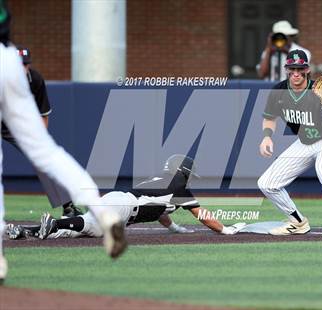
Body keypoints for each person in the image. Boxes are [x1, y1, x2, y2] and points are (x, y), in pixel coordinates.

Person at [0, 1, 126, 284]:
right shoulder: (15, 59)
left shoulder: (37, 79)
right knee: (48, 152)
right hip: (4, 59)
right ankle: (102, 211)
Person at [6, 155, 246, 240]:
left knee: (92, 230)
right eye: (189, 174)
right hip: (124, 206)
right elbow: (202, 215)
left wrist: (175, 229)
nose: (190, 179)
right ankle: (54, 224)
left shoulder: (162, 181)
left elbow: (161, 210)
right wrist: (224, 230)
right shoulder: (179, 186)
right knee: (91, 226)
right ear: (182, 172)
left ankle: (30, 229)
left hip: (121, 203)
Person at [257, 49, 322, 237]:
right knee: (267, 182)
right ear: (286, 70)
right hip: (304, 142)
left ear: (306, 70)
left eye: (300, 68)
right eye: (292, 68)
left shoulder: (319, 92)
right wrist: (266, 136)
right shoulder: (278, 91)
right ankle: (297, 222)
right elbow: (269, 117)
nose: (296, 73)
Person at [2, 46, 80, 217]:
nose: (22, 68)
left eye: (25, 64)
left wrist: (40, 141)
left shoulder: (35, 80)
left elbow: (43, 115)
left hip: (19, 125)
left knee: (46, 158)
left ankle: (68, 206)